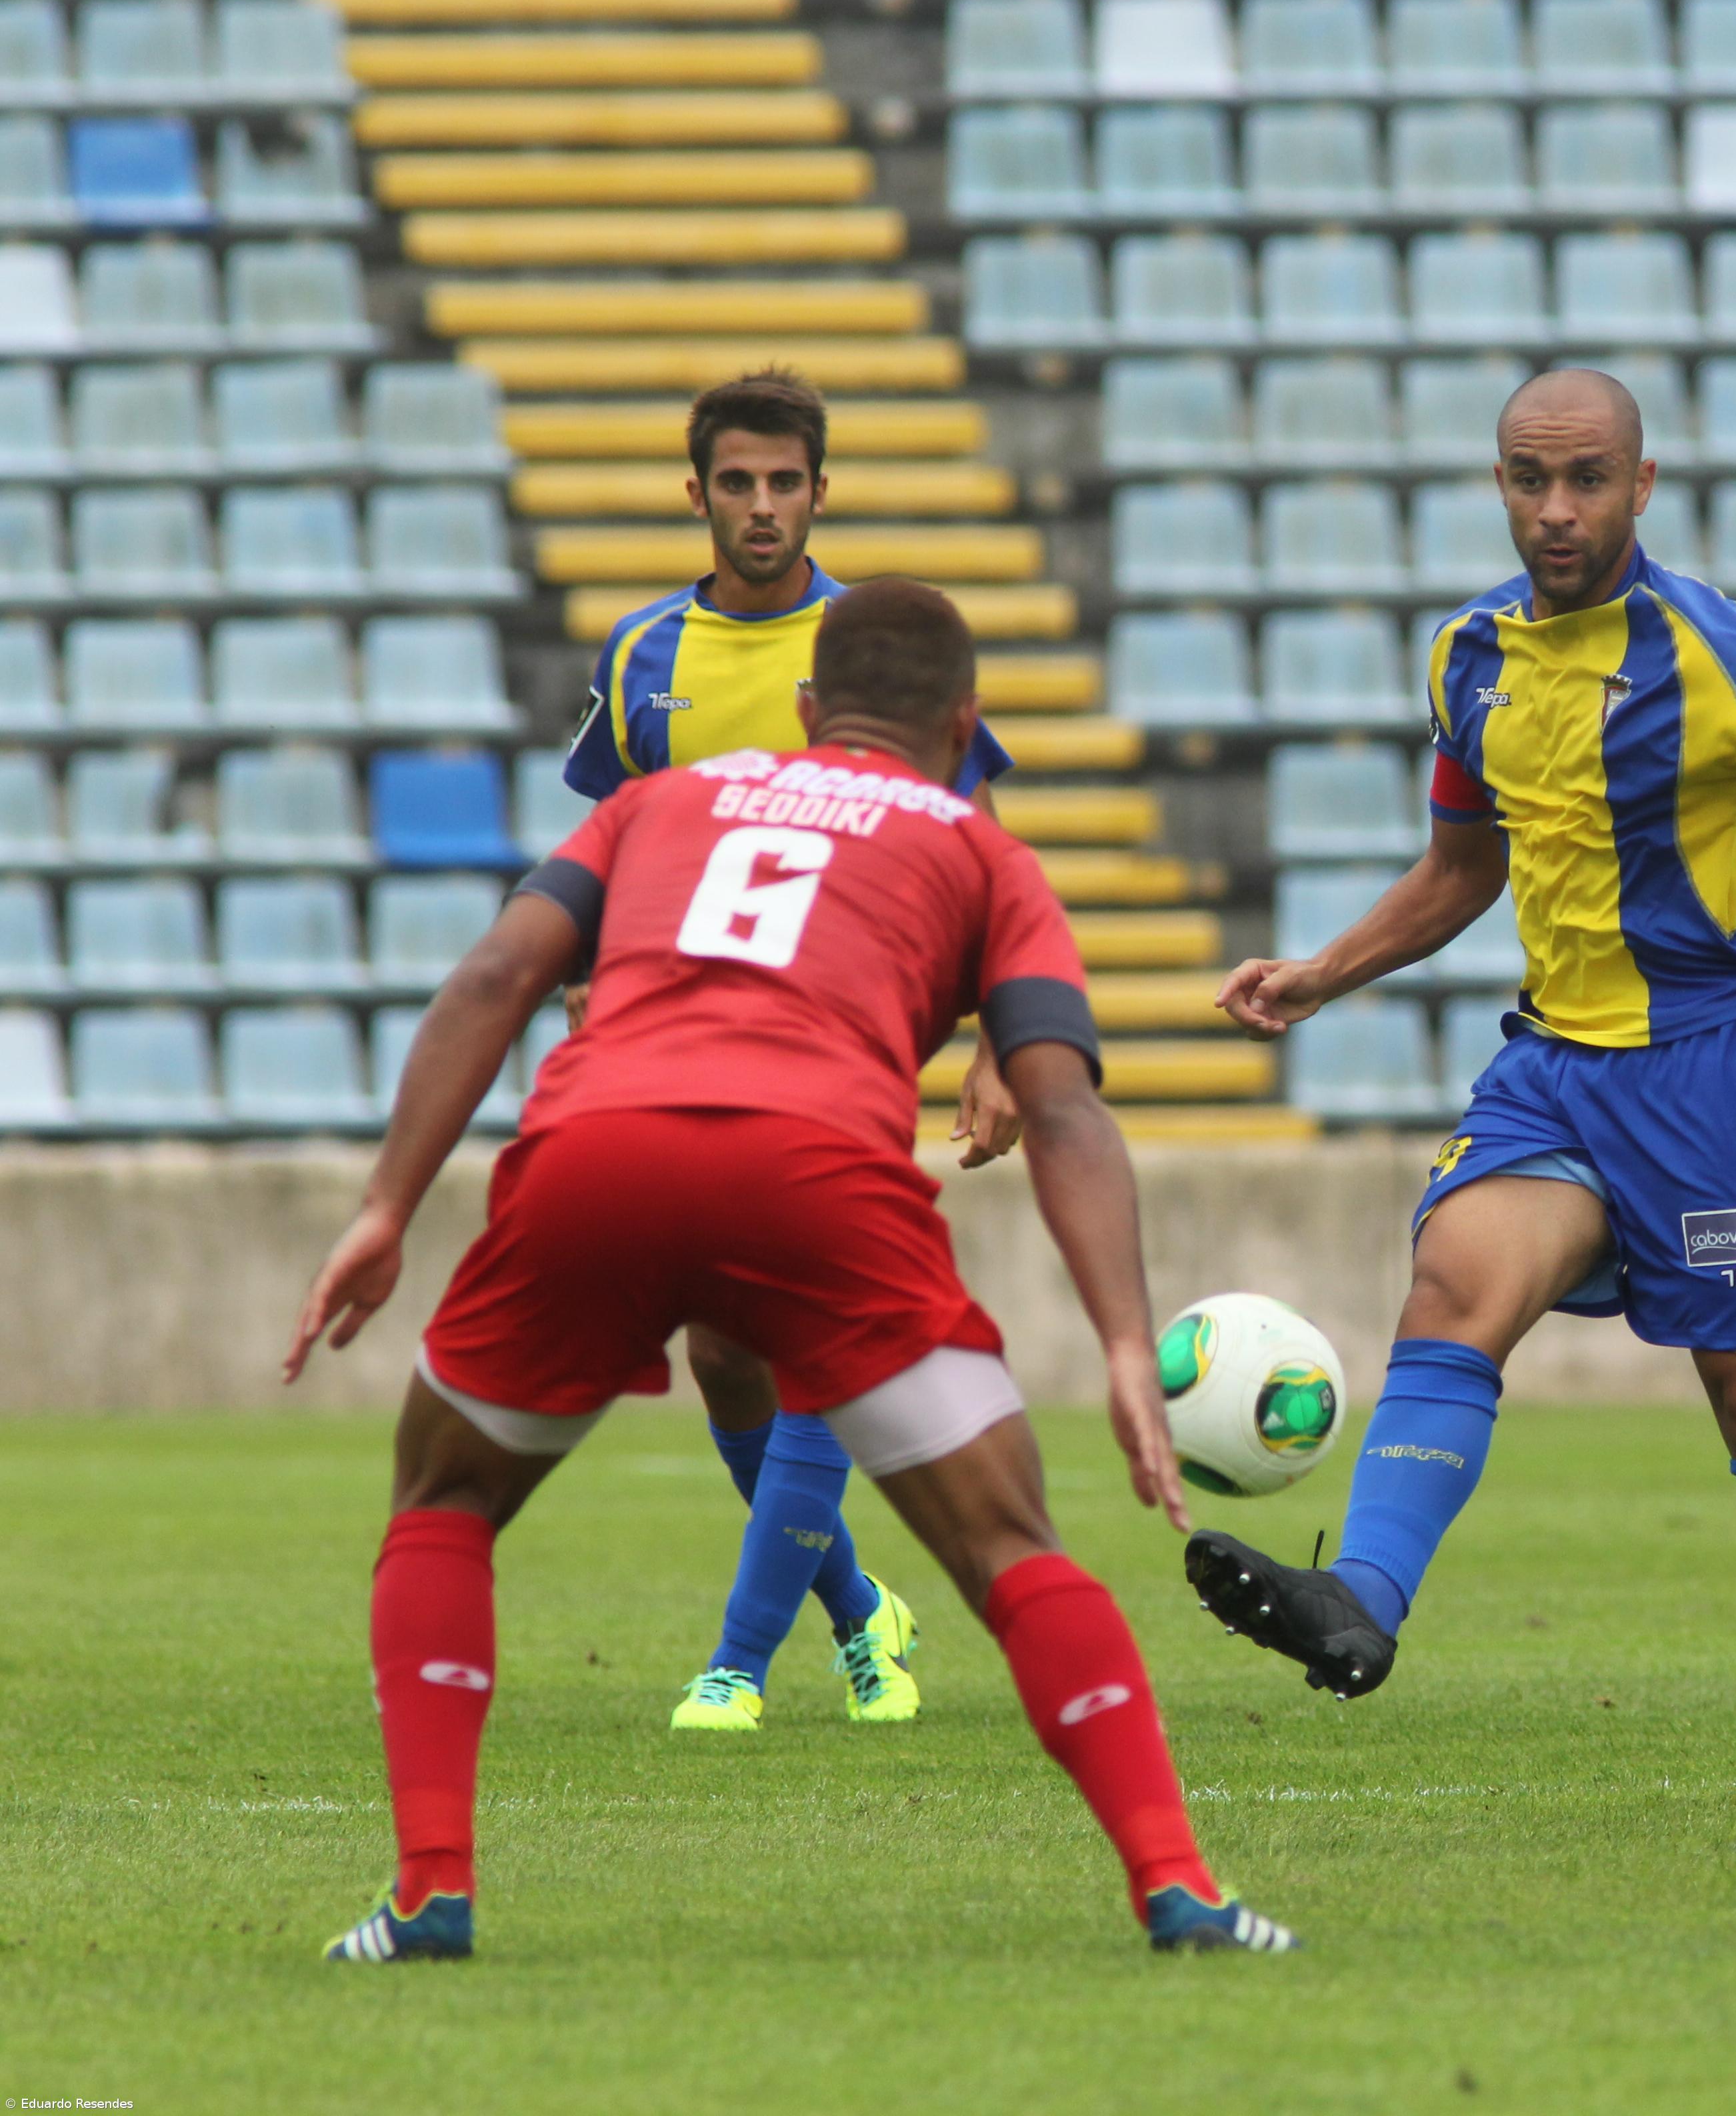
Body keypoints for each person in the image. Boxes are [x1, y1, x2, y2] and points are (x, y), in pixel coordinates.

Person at [289, 577, 1295, 1961]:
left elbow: (489, 982)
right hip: (815, 1177)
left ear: (813, 711)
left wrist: (386, 1206)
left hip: (602, 1152)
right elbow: (1061, 1106)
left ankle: (431, 1894)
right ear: (965, 726)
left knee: (445, 1501)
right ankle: (1179, 1888)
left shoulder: (657, 802)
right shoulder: (979, 850)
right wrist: (1125, 1344)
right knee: (1008, 1545)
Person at [1192, 367, 1736, 1849]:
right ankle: (1360, 1599)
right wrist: (1317, 977)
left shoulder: (1714, 648)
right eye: (1530, 480)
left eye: (1588, 479)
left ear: (1643, 485)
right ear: (1498, 482)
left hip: (1720, 1069)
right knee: (1452, 1295)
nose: (1558, 510)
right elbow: (1460, 869)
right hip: (1557, 1065)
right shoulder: (1470, 657)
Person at [567, 369, 1023, 1733]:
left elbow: (983, 851)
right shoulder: (646, 656)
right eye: (737, 483)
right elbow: (609, 854)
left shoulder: (879, 644)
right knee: (725, 1355)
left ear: (822, 492)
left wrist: (996, 1042)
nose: (762, 508)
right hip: (690, 1038)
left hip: (853, 1030)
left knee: (813, 1323)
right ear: (696, 492)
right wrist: (594, 1006)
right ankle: (860, 1612)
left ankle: (740, 1663)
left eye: (786, 483)